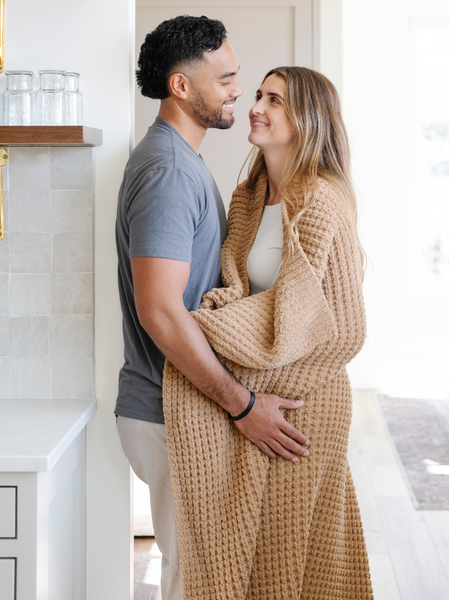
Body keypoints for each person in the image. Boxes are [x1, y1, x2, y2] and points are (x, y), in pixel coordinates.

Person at [114, 16, 310, 600]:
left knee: (200, 576)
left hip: (180, 404)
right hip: (167, 407)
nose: (237, 94)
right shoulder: (170, 172)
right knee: (193, 581)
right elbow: (159, 310)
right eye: (225, 79)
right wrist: (243, 404)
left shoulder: (179, 161)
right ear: (180, 86)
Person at [163, 67, 374, 599]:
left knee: (292, 556)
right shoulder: (249, 197)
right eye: (258, 95)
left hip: (307, 402)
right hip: (261, 393)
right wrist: (242, 371)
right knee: (253, 558)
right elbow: (239, 289)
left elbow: (346, 329)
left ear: (306, 119)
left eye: (274, 100)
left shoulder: (323, 203)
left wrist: (223, 345)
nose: (257, 105)